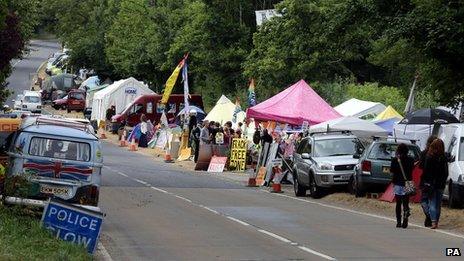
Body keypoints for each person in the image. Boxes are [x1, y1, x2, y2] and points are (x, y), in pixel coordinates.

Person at [421, 139, 448, 229]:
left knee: (432, 202)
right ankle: (436, 221)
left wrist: (426, 182)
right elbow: (446, 172)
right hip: (440, 183)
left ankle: (433, 221)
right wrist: (443, 180)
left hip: (431, 183)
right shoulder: (443, 157)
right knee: (438, 204)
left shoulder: (429, 157)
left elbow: (426, 172)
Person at [390, 143, 415, 228]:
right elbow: (412, 169)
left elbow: (392, 170)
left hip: (398, 183)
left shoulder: (395, 160)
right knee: (405, 202)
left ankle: (398, 222)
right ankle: (405, 216)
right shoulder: (411, 160)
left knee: (398, 203)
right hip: (407, 182)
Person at [419, 135, 437, 227]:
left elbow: (420, 166)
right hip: (435, 180)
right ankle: (431, 218)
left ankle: (429, 216)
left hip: (426, 179)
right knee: (432, 201)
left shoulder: (424, 153)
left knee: (423, 200)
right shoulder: (439, 154)